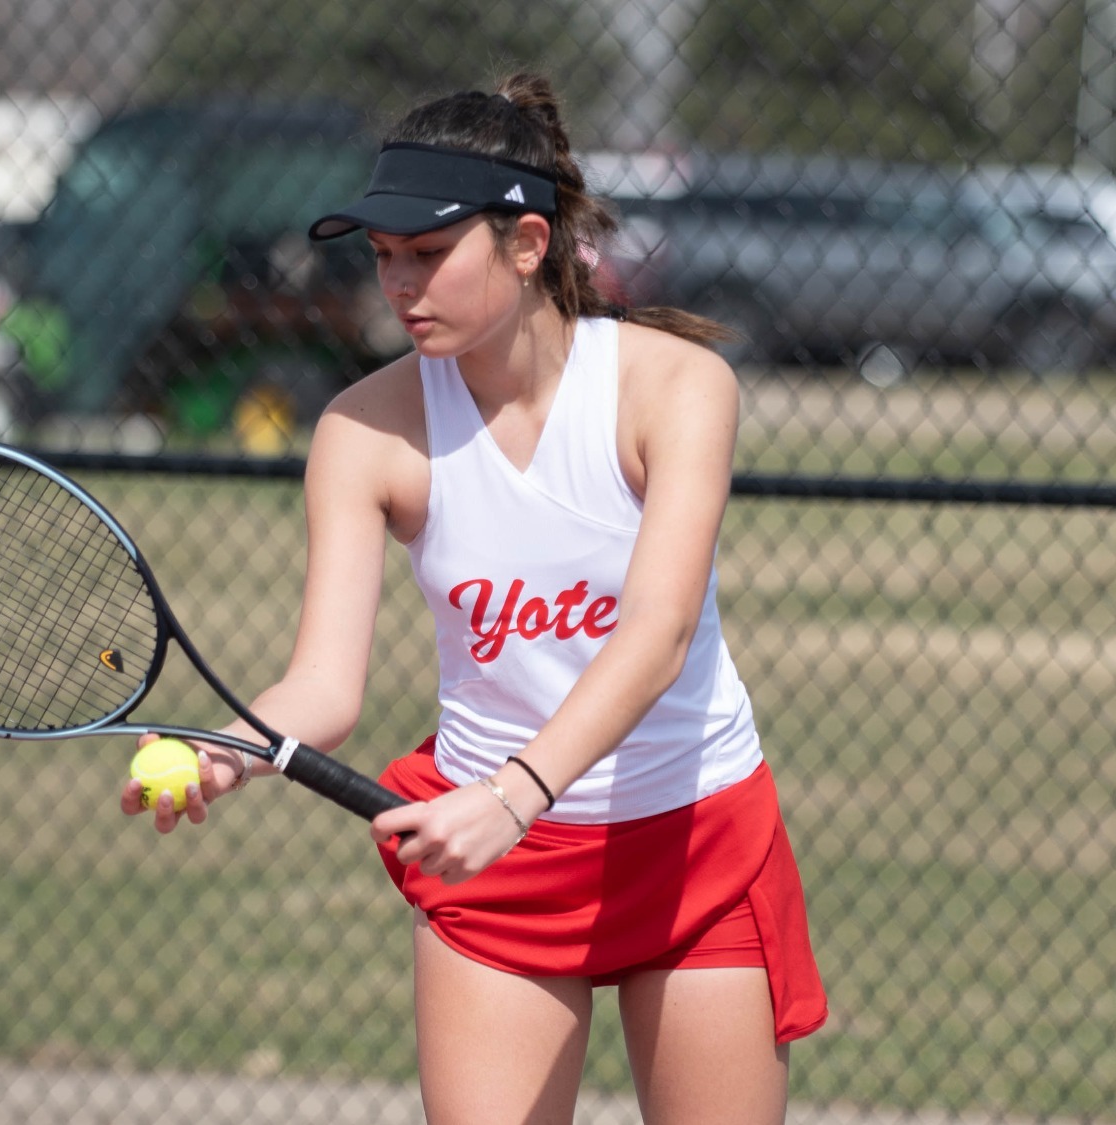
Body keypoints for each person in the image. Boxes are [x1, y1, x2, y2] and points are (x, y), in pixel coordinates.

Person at [121, 72, 827, 1124]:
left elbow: (657, 635)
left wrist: (511, 796)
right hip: (500, 862)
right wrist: (226, 750)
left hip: (690, 841)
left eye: (429, 253)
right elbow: (324, 683)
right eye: (383, 257)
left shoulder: (674, 387)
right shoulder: (363, 430)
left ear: (527, 244)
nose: (399, 285)